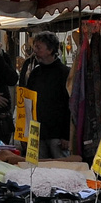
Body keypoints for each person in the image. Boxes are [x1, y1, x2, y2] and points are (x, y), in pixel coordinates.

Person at [18, 30, 72, 158]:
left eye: (38, 47)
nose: (35, 51)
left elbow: (69, 106)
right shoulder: (35, 74)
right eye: (34, 47)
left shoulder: (65, 73)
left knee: (59, 170)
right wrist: (24, 133)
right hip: (37, 133)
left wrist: (66, 135)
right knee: (37, 170)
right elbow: (27, 103)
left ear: (50, 50)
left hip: (57, 135)